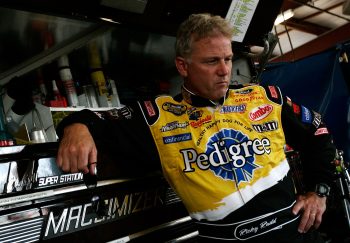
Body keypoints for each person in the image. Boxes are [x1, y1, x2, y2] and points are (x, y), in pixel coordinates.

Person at [56, 13, 336, 242]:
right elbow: (98, 120)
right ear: (183, 66)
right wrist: (76, 125)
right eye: (211, 61)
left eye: (227, 59)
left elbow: (319, 133)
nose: (224, 70)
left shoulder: (264, 98)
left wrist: (319, 192)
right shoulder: (157, 118)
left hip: (296, 236)